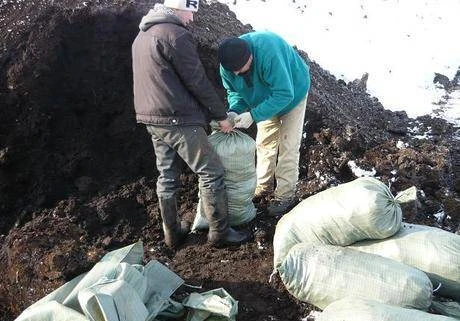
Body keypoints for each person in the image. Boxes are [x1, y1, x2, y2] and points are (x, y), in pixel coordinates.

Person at [132, 0, 249, 248]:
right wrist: (221, 116)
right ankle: (220, 233)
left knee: (167, 175)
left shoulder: (141, 36)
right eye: (191, 11)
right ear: (177, 8)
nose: (192, 19)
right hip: (178, 118)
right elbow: (197, 81)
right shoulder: (176, 35)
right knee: (211, 172)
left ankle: (172, 234)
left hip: (151, 118)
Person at [218, 31, 311, 217]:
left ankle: (285, 194)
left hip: (293, 93)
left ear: (250, 56)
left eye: (240, 69)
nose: (236, 73)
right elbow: (235, 91)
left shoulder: (268, 52)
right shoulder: (228, 67)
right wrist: (235, 110)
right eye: (233, 71)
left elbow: (285, 93)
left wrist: (254, 115)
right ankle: (263, 185)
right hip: (265, 99)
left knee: (288, 145)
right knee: (264, 143)